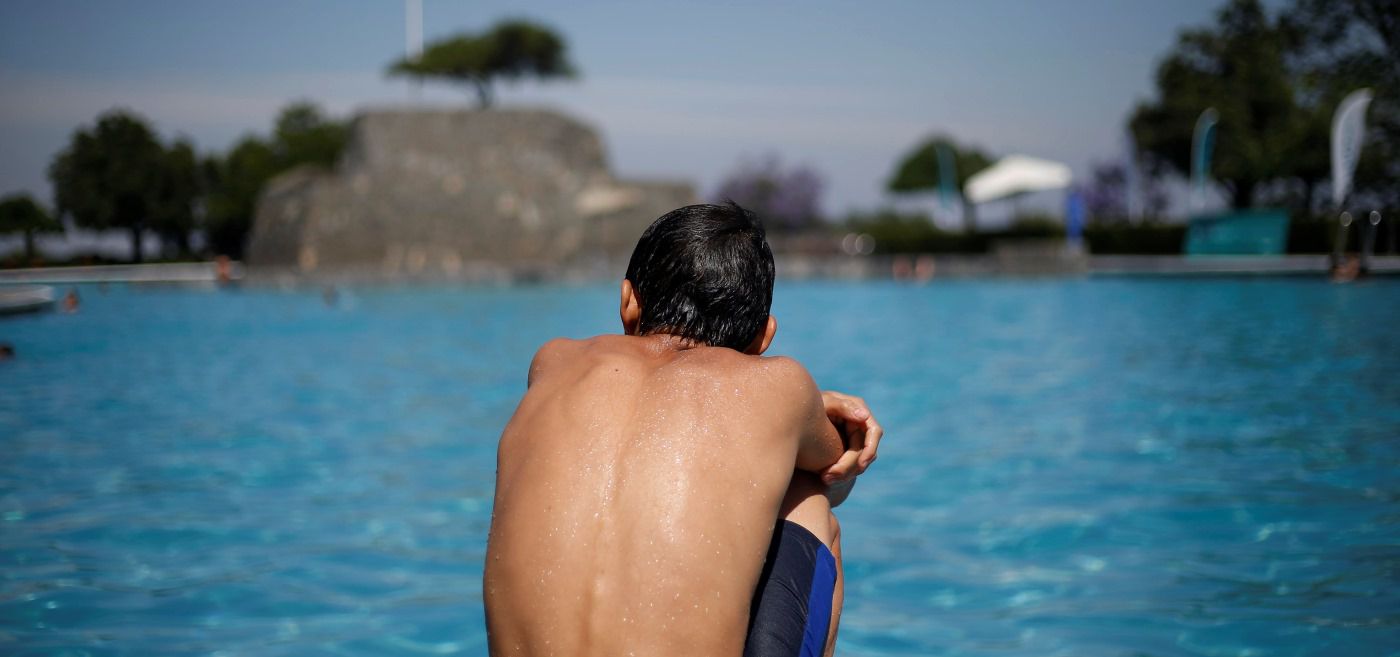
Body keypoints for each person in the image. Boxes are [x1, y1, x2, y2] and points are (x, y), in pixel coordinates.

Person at [485, 203, 882, 657]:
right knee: (806, 495)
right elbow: (836, 468)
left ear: (628, 301)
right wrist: (813, 411)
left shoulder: (552, 362)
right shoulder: (782, 384)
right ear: (763, 338)